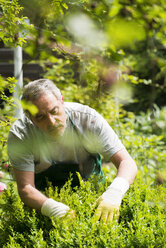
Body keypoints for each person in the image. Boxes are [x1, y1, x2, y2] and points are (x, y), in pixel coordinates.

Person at [7, 79, 137, 224]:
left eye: (54, 111)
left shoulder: (88, 120)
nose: (51, 121)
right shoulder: (21, 135)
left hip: (94, 200)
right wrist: (52, 208)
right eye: (41, 117)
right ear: (30, 118)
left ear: (61, 101)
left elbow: (127, 162)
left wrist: (114, 192)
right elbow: (26, 188)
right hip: (43, 207)